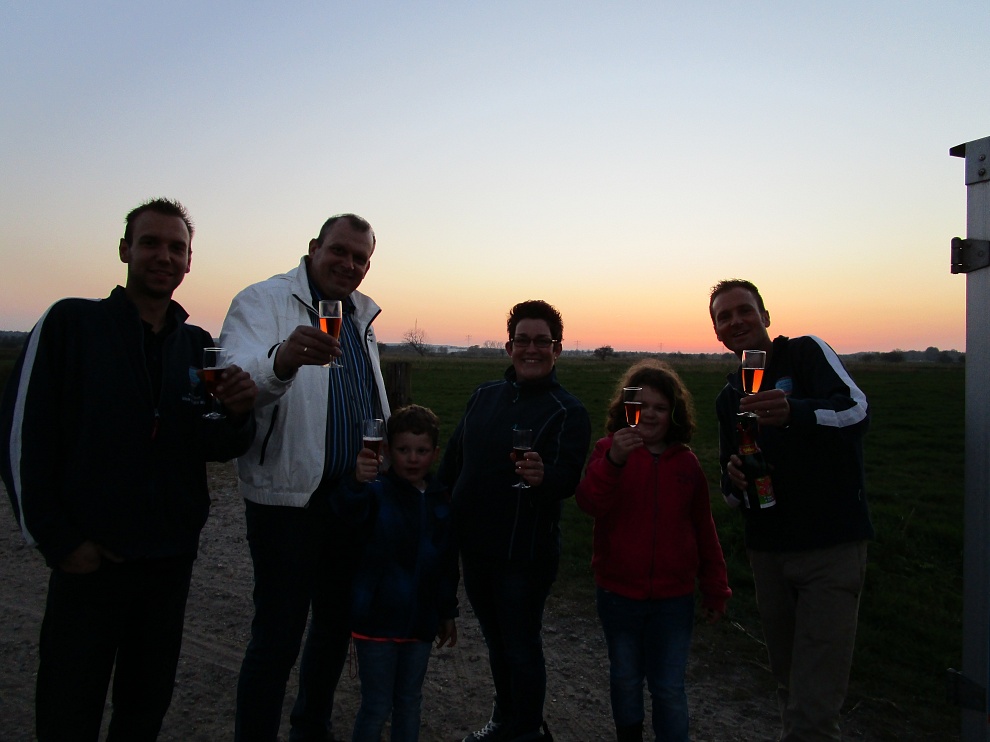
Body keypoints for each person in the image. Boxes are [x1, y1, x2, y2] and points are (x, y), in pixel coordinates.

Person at [0, 197, 258, 741]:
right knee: (68, 710)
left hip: (167, 565)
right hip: (89, 565)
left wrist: (237, 414)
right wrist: (60, 541)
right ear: (125, 250)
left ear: (189, 262)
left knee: (144, 710)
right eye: (150, 243)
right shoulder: (71, 323)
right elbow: (22, 437)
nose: (164, 256)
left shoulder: (197, 346)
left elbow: (208, 442)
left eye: (176, 248)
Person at [220, 212, 390, 742]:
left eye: (360, 257)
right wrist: (282, 361)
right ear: (314, 247)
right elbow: (234, 377)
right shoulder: (262, 301)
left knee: (334, 627)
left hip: (348, 497)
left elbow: (364, 396)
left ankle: (311, 728)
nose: (349, 264)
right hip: (287, 499)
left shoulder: (360, 315)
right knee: (278, 635)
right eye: (339, 250)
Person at [709, 279, 873, 742]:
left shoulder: (804, 353)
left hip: (829, 548)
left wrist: (795, 412)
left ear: (765, 316)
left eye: (745, 310)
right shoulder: (729, 395)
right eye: (724, 316)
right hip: (768, 553)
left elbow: (857, 412)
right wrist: (735, 479)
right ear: (717, 332)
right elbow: (729, 487)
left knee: (814, 707)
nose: (736, 321)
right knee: (788, 685)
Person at [439, 299, 591, 742]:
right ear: (508, 347)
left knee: (521, 646)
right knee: (496, 642)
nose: (531, 349)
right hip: (475, 547)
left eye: (542, 341)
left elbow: (568, 479)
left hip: (523, 554)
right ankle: (504, 720)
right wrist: (436, 507)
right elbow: (453, 463)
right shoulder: (484, 396)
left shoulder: (567, 411)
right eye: (522, 340)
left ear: (557, 349)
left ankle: (526, 731)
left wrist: (545, 477)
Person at [575, 360, 731, 742]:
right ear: (625, 408)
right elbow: (589, 502)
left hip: (673, 599)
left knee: (669, 686)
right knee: (625, 677)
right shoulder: (608, 451)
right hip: (618, 593)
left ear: (673, 414)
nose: (649, 414)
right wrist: (614, 461)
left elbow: (704, 529)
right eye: (641, 405)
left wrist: (715, 587)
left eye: (660, 407)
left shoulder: (687, 464)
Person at [332, 405, 458, 742]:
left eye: (421, 451)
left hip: (420, 623)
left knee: (409, 702)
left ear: (435, 453)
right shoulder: (376, 492)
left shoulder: (440, 499)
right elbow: (346, 515)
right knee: (376, 706)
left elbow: (446, 563)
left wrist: (447, 611)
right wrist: (356, 483)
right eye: (403, 450)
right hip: (376, 621)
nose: (413, 459)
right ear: (388, 451)